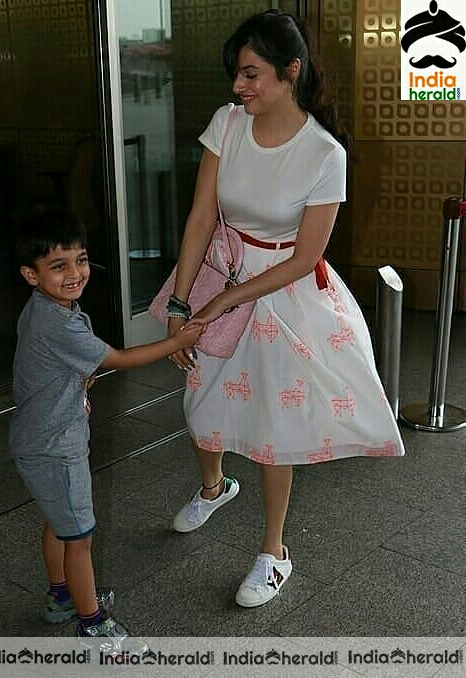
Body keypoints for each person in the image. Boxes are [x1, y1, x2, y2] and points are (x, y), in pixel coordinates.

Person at [166, 10, 405, 608]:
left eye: (251, 74)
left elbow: (305, 258)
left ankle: (275, 551)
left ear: (290, 71)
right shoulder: (226, 123)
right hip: (223, 269)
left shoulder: (325, 152)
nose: (238, 87)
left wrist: (226, 299)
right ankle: (215, 485)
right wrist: (179, 299)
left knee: (273, 422)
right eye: (236, 75)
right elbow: (201, 218)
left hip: (282, 292)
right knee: (200, 393)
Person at [10, 206, 203, 645]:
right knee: (80, 535)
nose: (75, 273)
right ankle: (91, 622)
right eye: (58, 266)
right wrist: (177, 341)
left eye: (80, 260)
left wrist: (76, 385)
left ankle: (61, 597)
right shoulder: (59, 321)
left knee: (60, 521)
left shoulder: (45, 309)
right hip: (55, 445)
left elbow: (49, 366)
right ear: (31, 274)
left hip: (39, 436)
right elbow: (119, 359)